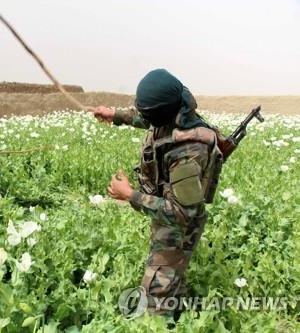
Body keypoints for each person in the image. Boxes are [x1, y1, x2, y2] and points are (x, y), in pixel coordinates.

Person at [94, 69, 223, 317]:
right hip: (169, 210)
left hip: (178, 228)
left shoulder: (186, 153)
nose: (144, 118)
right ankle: (176, 312)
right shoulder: (178, 107)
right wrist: (116, 115)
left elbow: (183, 213)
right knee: (172, 282)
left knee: (154, 298)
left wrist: (130, 195)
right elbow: (148, 119)